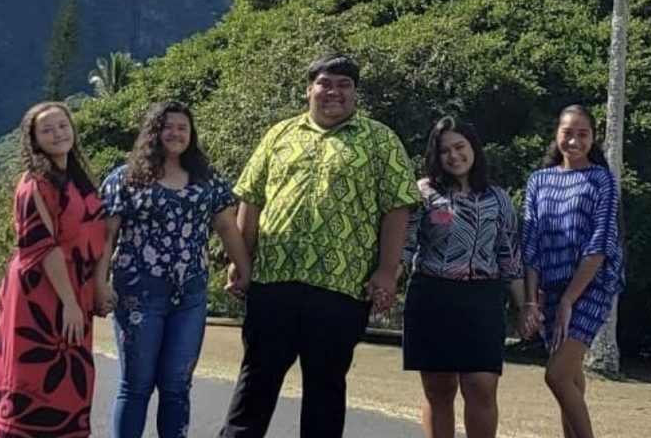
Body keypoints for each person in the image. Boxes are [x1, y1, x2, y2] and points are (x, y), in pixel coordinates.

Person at [218, 53, 420, 438]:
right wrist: (241, 261)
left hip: (340, 286)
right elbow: (252, 198)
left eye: (345, 85)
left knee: (325, 391)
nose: (334, 92)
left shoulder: (380, 140)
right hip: (274, 280)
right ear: (308, 89)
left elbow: (398, 207)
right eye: (326, 83)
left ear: (356, 94)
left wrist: (386, 270)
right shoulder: (280, 134)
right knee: (256, 382)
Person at [95, 100, 252, 438]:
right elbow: (107, 235)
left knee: (177, 385)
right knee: (136, 385)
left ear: (191, 134)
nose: (176, 133)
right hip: (138, 295)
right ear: (153, 132)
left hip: (190, 296)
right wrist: (100, 283)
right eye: (168, 127)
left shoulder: (206, 180)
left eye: (183, 128)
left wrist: (245, 272)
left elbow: (227, 228)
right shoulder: (125, 179)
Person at [0, 102, 107, 438]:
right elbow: (42, 246)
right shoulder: (34, 182)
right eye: (47, 130)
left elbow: (101, 232)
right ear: (34, 140)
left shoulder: (80, 180)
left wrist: (97, 284)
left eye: (63, 126)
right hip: (40, 294)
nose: (57, 134)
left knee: (71, 380)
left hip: (75, 290)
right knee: (33, 377)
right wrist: (68, 301)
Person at [402, 117, 524, 438]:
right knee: (439, 390)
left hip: (481, 299)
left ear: (473, 149)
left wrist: (526, 306)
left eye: (460, 147)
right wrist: (386, 281)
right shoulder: (423, 193)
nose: (454, 156)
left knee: (481, 386)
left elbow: (510, 258)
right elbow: (405, 244)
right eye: (445, 151)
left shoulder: (499, 199)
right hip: (432, 296)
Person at [521, 104, 625, 438]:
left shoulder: (601, 179)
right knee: (571, 378)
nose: (574, 141)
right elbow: (531, 242)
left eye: (583, 134)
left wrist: (569, 300)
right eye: (568, 132)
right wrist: (532, 301)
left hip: (591, 285)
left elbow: (601, 243)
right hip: (551, 288)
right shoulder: (539, 180)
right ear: (556, 134)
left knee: (557, 375)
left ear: (593, 138)